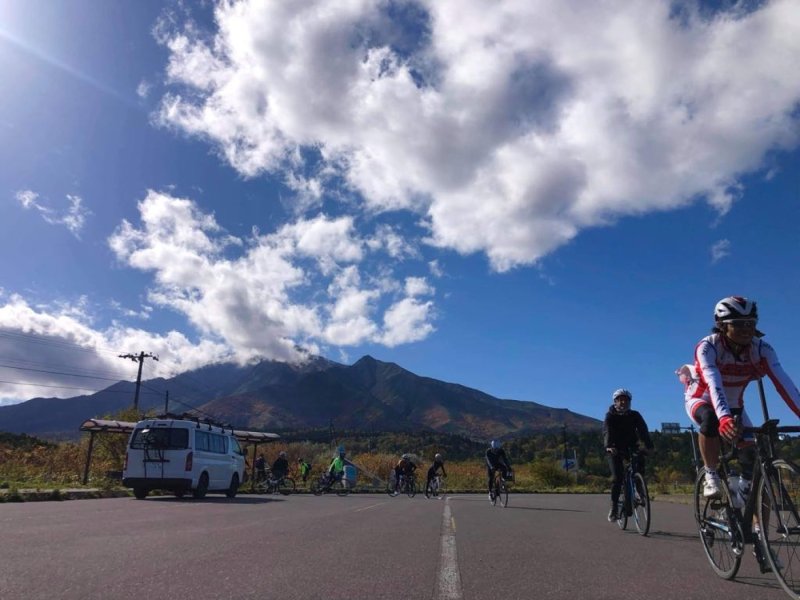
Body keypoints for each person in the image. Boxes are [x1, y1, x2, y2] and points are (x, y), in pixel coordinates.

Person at [679, 296, 800, 502]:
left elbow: (785, 385)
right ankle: (711, 474)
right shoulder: (708, 347)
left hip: (734, 406)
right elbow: (713, 382)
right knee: (710, 419)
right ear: (721, 325)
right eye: (738, 324)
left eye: (750, 324)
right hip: (703, 398)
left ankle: (747, 508)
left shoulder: (762, 349)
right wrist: (724, 417)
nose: (746, 330)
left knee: (753, 460)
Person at [603, 388, 654, 522]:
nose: (623, 402)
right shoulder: (610, 416)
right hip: (614, 448)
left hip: (631, 446)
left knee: (639, 461)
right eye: (620, 400)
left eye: (626, 400)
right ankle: (614, 507)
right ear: (615, 402)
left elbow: (643, 430)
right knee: (617, 478)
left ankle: (639, 490)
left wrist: (649, 446)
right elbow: (607, 431)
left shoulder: (635, 415)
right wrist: (609, 446)